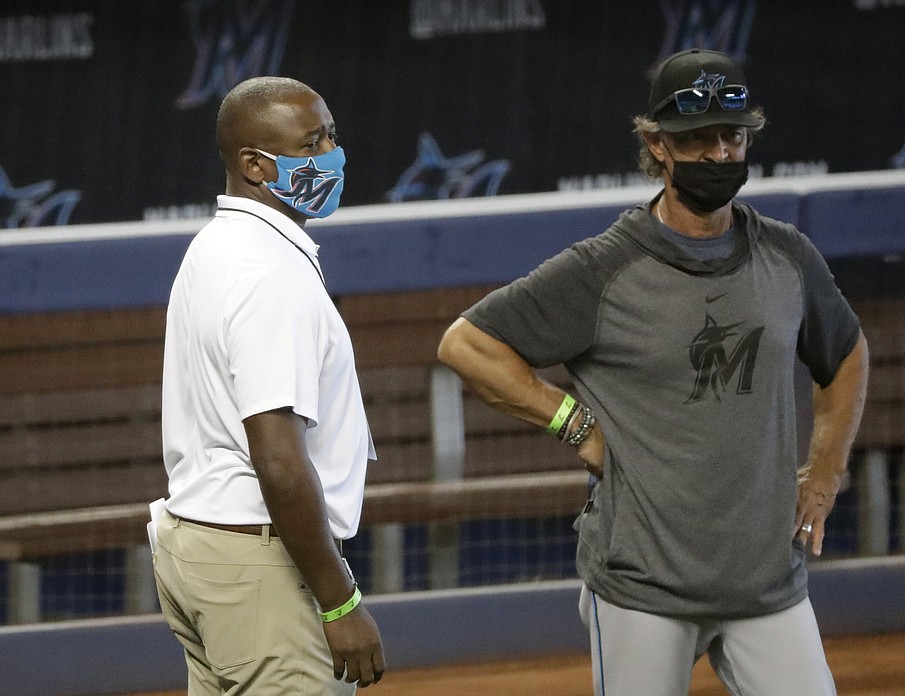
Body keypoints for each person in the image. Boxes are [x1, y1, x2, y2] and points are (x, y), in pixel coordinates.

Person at [437, 48, 868, 696]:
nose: (719, 153)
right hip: (642, 586)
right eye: (697, 140)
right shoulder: (606, 269)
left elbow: (846, 354)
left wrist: (826, 470)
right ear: (657, 146)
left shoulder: (787, 256)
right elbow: (467, 344)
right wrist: (574, 423)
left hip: (765, 581)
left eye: (732, 136)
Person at [154, 76, 385, 694]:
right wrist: (339, 604)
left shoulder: (216, 244)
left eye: (331, 133)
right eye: (311, 144)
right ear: (256, 165)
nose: (331, 154)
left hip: (198, 547)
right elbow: (279, 460)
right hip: (257, 564)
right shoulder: (267, 273)